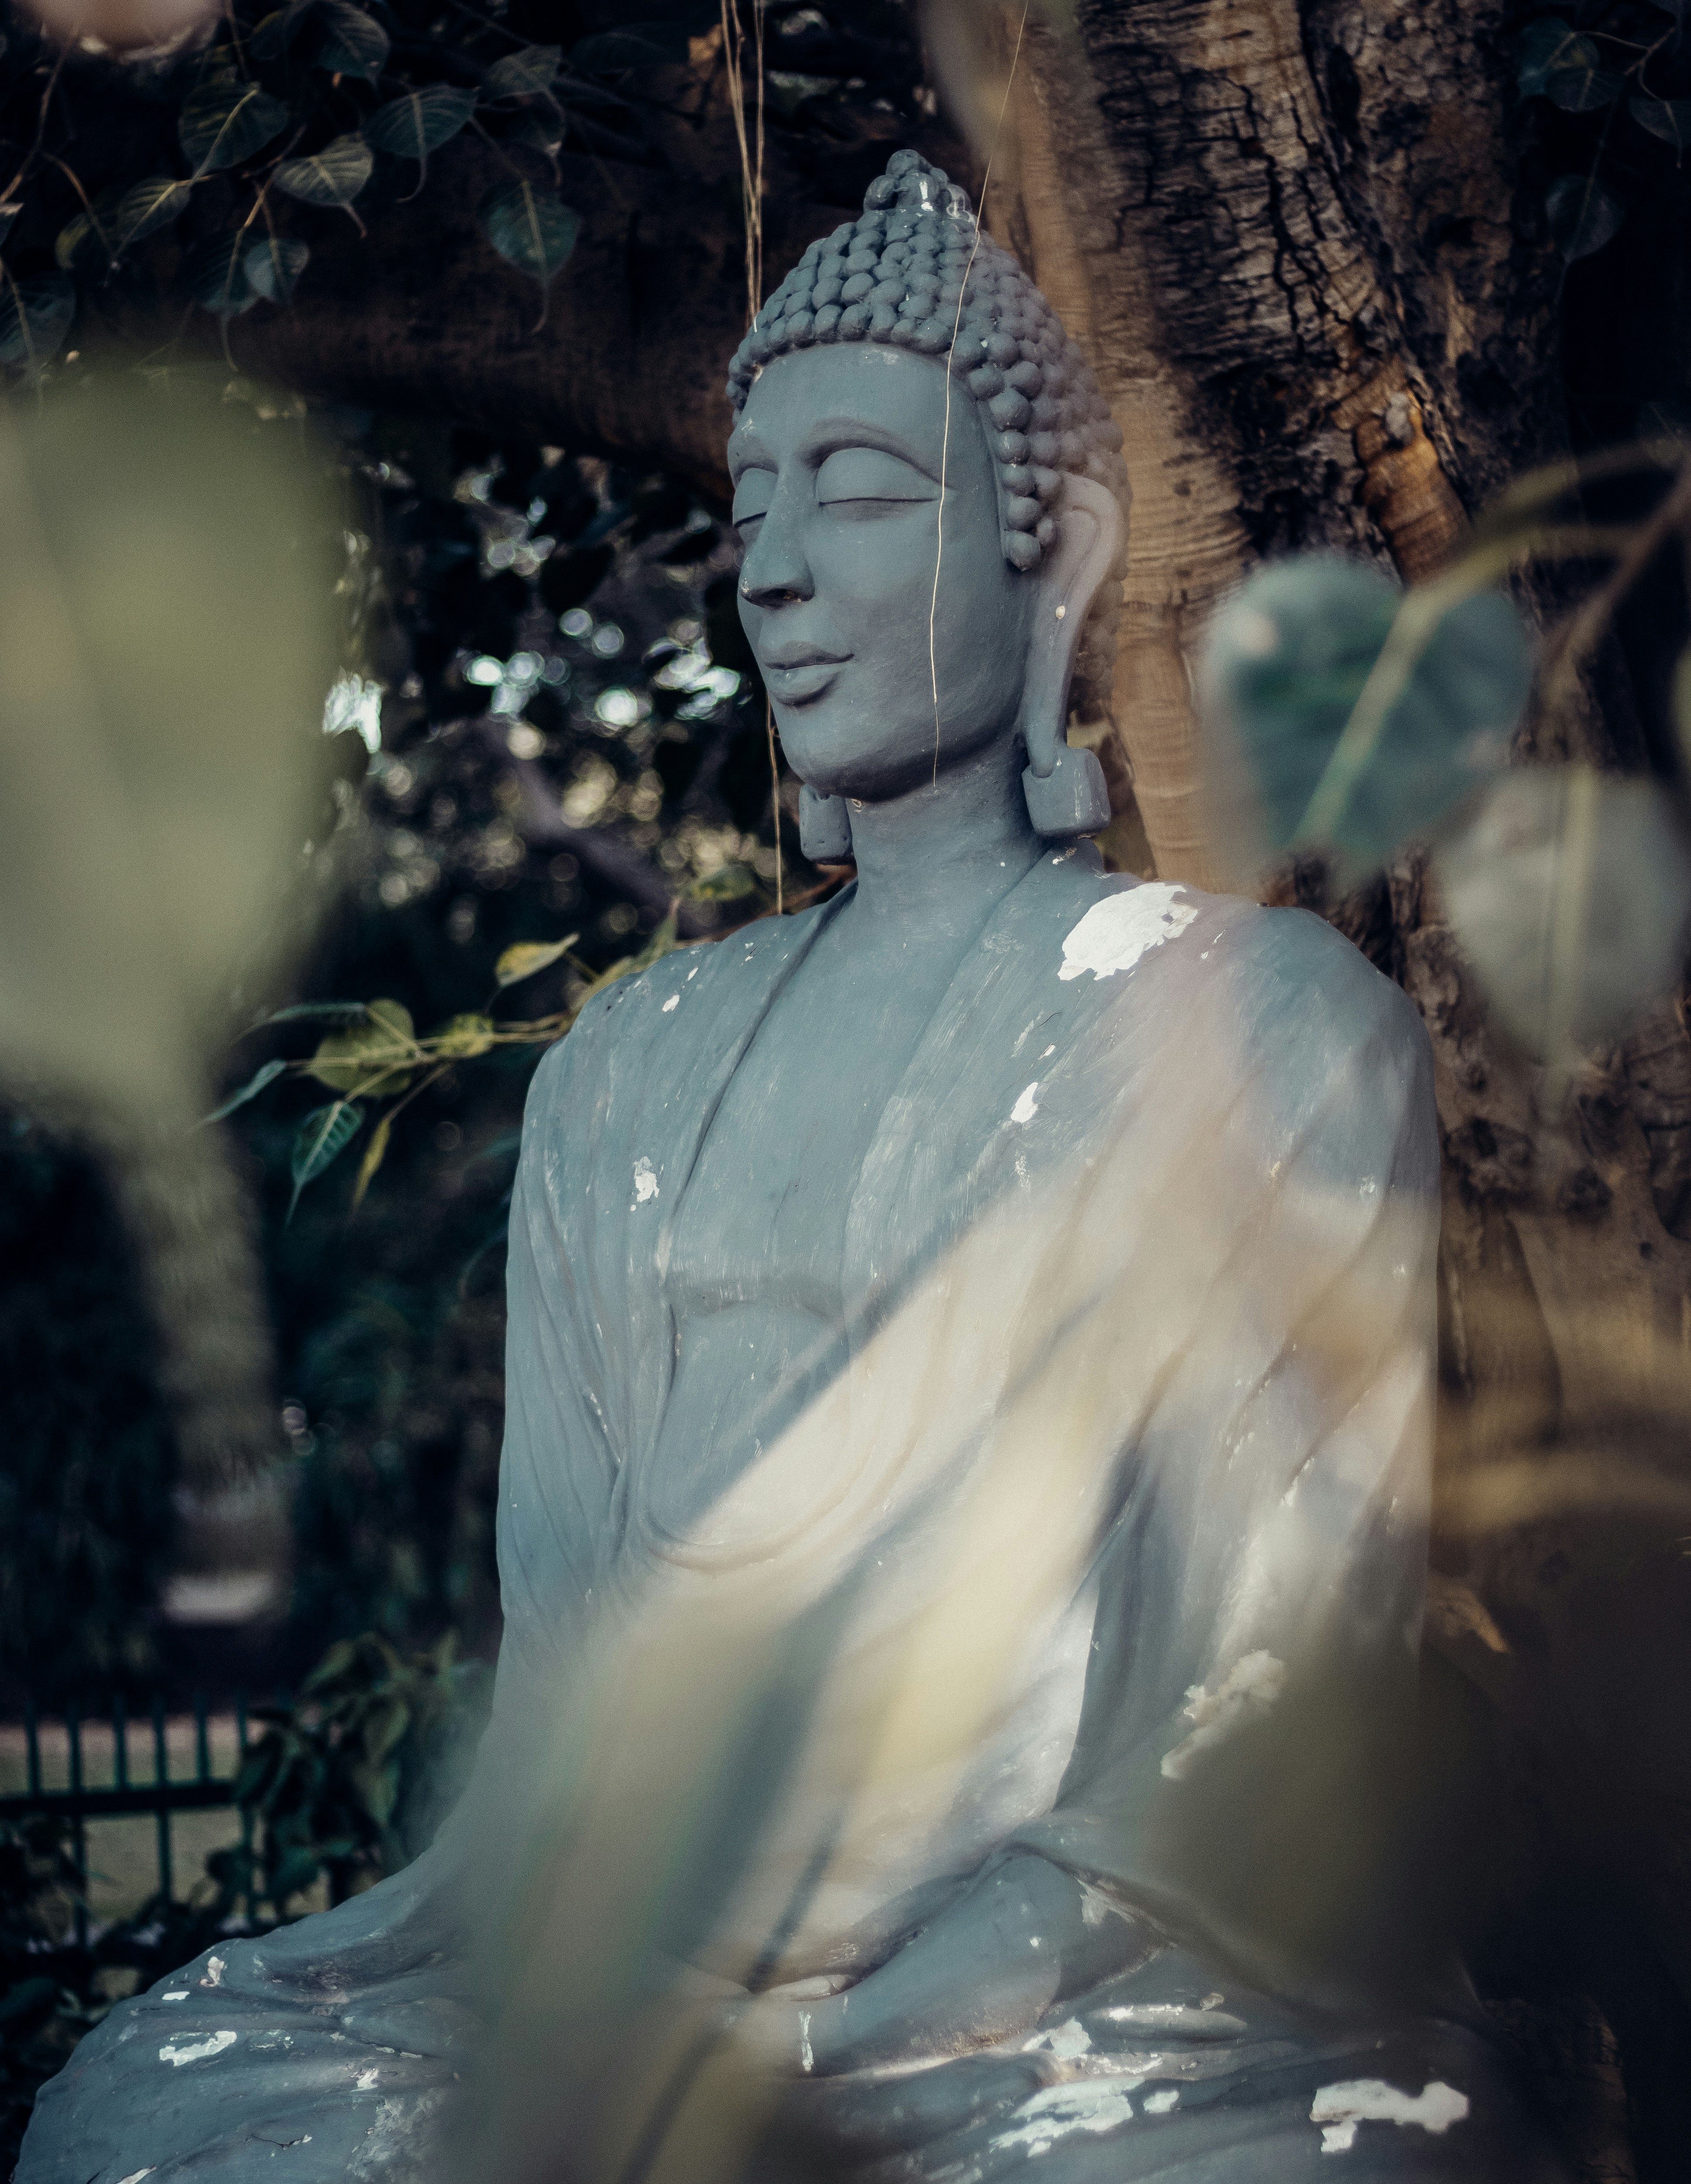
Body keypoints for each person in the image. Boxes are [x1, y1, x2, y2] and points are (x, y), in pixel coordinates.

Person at [22, 150, 1567, 2183]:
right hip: (642, 1977)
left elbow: (1260, 1724)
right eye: (755, 513)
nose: (776, 573)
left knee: (1353, 2150)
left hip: (1069, 2010)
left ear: (1055, 549)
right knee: (147, 2101)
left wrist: (851, 2042)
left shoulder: (1266, 1025)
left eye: (858, 490)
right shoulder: (625, 1070)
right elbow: (564, 1723)